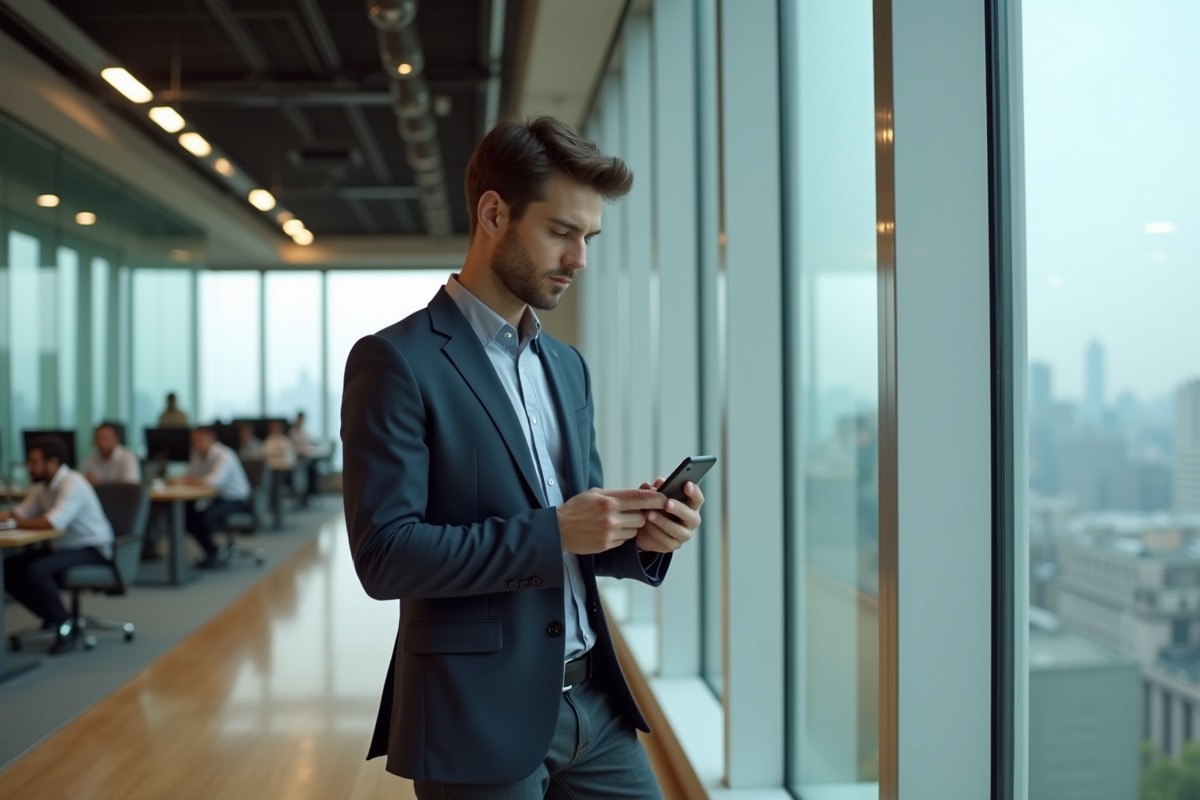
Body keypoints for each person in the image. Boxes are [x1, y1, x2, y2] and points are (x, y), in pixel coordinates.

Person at [341, 116, 705, 799]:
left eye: (588, 238)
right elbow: (385, 556)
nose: (580, 259)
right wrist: (554, 530)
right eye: (562, 233)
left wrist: (644, 536)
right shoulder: (395, 361)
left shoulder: (567, 367)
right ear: (494, 213)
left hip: (594, 704)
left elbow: (580, 540)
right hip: (475, 714)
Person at [0, 435, 114, 654]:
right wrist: (7, 517)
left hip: (92, 548)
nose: (28, 468)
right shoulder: (43, 486)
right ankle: (54, 617)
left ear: (52, 463)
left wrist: (14, 521)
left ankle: (64, 625)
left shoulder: (73, 482)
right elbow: (19, 513)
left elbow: (53, 522)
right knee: (8, 568)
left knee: (37, 570)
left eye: (34, 462)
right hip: (63, 547)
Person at [173, 426, 252, 569]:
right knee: (187, 515)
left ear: (211, 439)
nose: (195, 443)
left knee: (205, 517)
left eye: (199, 439)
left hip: (236, 499)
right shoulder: (197, 455)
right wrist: (187, 480)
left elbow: (213, 482)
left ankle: (212, 554)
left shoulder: (224, 455)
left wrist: (188, 481)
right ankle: (212, 551)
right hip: (214, 498)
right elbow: (190, 476)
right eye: (193, 440)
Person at [288, 412, 320, 503]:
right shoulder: (292, 431)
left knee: (313, 469)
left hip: (307, 456)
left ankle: (310, 494)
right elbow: (294, 446)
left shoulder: (303, 431)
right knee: (307, 470)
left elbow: (309, 442)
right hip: (298, 458)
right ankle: (302, 495)